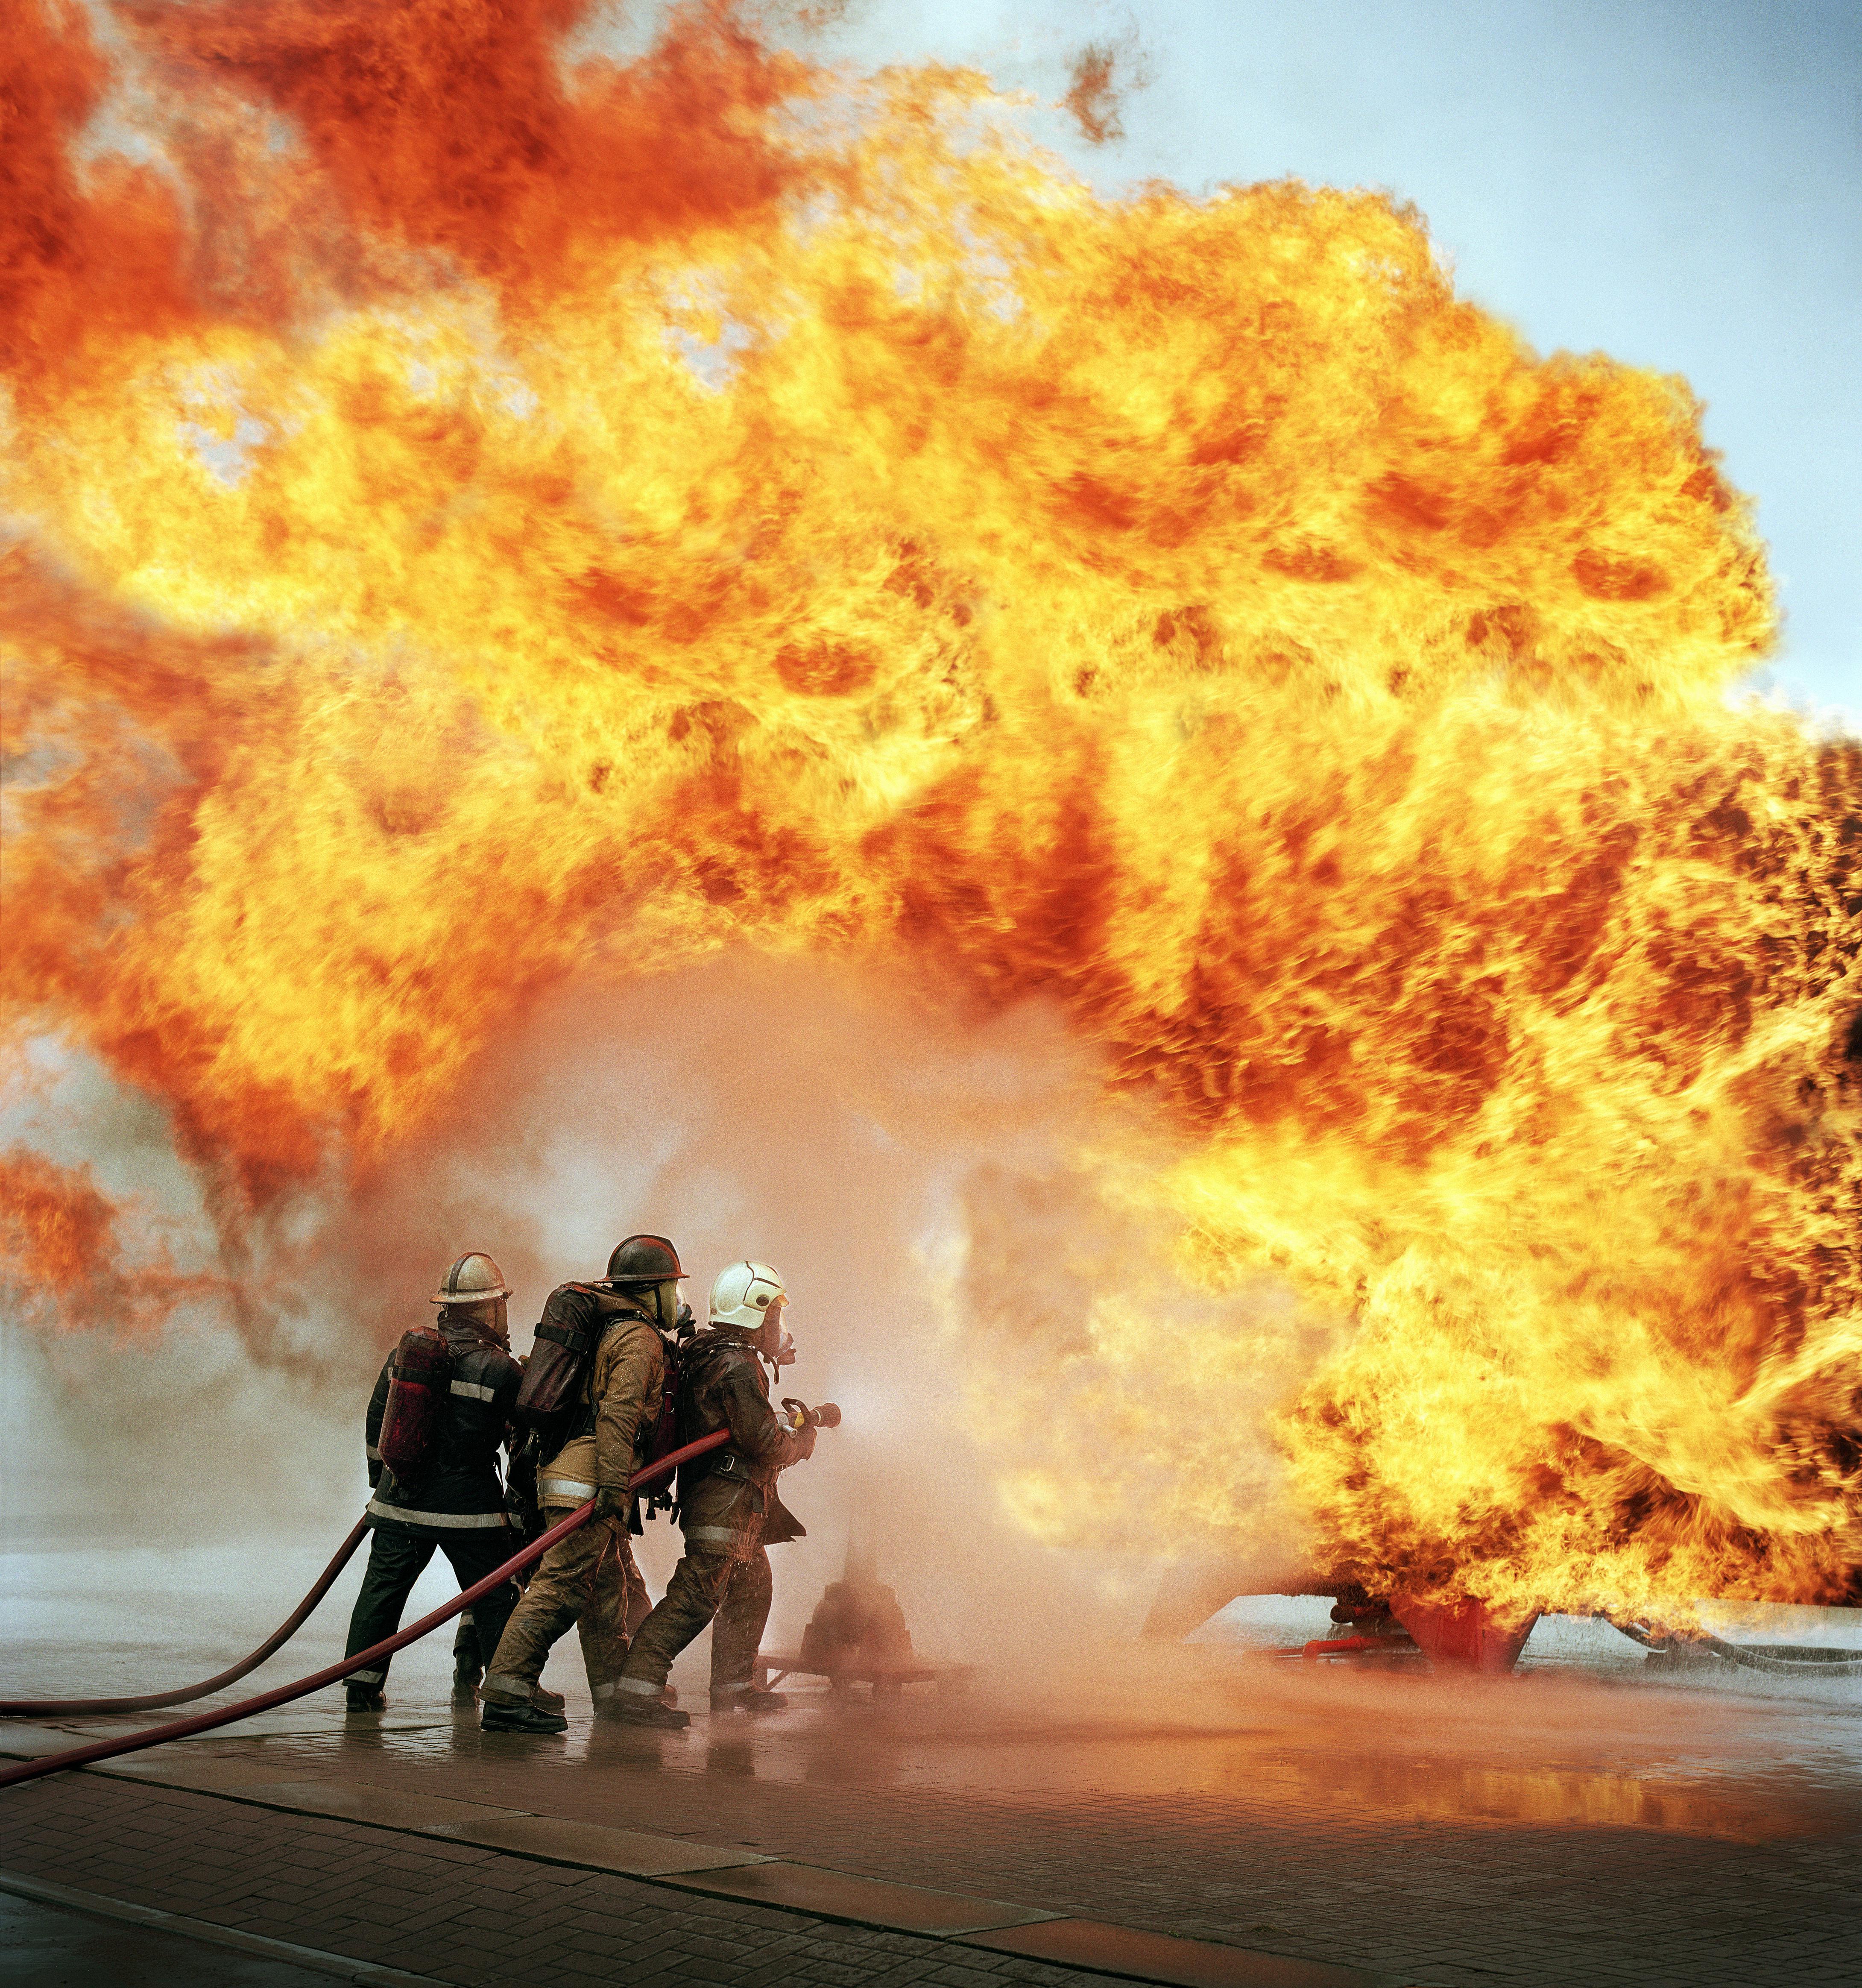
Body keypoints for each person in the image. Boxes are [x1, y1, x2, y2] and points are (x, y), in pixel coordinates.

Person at [477, 1234, 679, 1735]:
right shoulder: (639, 1338)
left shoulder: (609, 1328)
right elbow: (620, 1413)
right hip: (588, 1482)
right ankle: (506, 1692)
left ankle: (613, 1697)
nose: (678, 1298)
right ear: (652, 1290)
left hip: (569, 1472)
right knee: (561, 1588)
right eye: (672, 1287)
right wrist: (612, 1485)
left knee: (605, 1595)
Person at [607, 1259, 817, 1728]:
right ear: (756, 1314)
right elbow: (763, 1442)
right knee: (693, 1599)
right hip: (725, 1505)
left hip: (728, 1502)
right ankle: (637, 1691)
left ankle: (734, 1685)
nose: (778, 1326)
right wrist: (802, 1443)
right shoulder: (738, 1366)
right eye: (774, 1315)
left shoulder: (709, 1353)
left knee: (753, 1585)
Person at [343, 1252, 536, 1715]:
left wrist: (384, 1480)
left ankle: (360, 1690)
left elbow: (376, 1421)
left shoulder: (404, 1356)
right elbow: (523, 1441)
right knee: (494, 1594)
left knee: (381, 1591)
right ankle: (506, 1693)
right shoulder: (501, 1369)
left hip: (397, 1502)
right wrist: (522, 1504)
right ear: (491, 1309)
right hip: (469, 1512)